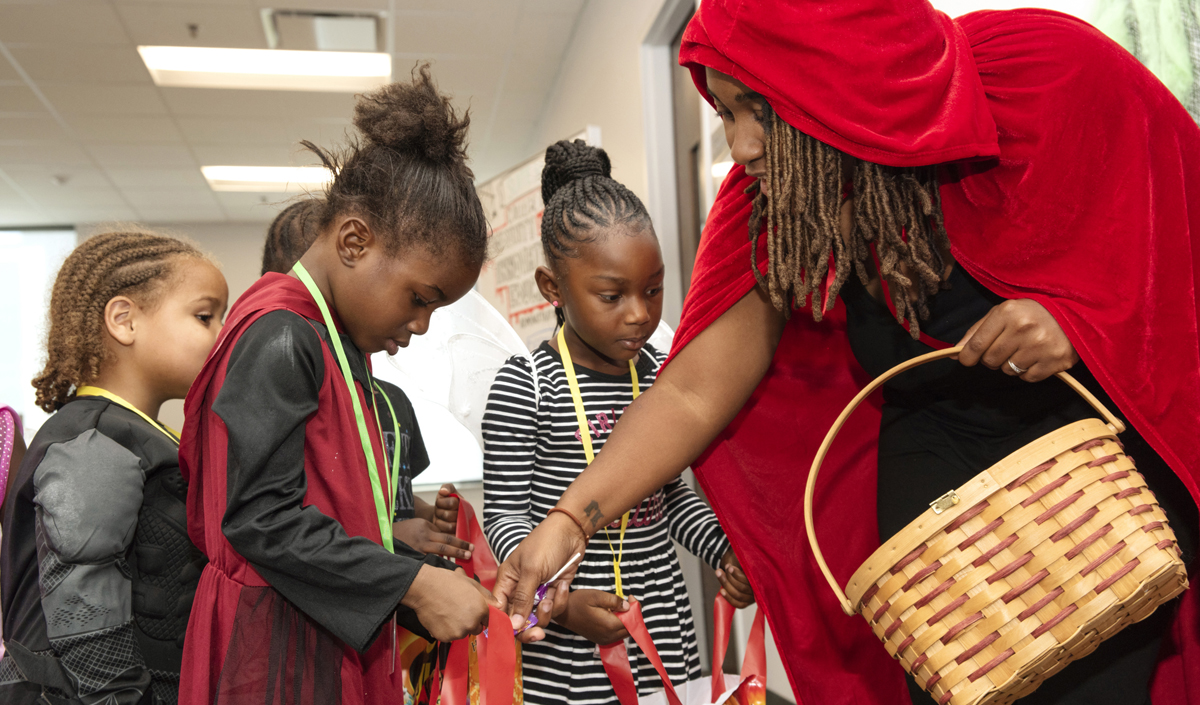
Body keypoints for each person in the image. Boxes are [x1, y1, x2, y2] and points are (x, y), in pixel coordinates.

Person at [492, 2, 1200, 705]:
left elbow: (1176, 245)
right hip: (935, 490)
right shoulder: (772, 200)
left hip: (1097, 479)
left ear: (835, 73)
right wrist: (568, 521)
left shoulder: (1043, 73)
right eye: (726, 113)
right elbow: (691, 392)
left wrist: (1078, 322)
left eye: (757, 109)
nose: (740, 148)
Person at [178, 65, 563, 705]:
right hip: (271, 654)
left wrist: (443, 583)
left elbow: (341, 524)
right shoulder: (282, 336)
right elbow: (262, 522)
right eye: (419, 298)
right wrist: (412, 585)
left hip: (312, 629)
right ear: (355, 240)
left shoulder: (332, 342)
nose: (418, 326)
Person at [483, 140, 753, 705]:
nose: (639, 313)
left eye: (653, 289)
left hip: (661, 619)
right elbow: (504, 516)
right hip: (569, 637)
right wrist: (561, 600)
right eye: (612, 295)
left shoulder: (664, 377)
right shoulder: (526, 385)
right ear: (553, 288)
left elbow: (671, 499)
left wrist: (725, 552)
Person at [0, 230, 229, 704]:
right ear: (124, 320)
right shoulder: (93, 443)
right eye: (205, 316)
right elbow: (88, 632)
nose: (222, 334)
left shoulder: (136, 433)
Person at [261, 198, 474, 562]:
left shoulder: (391, 401)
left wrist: (426, 516)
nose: (421, 326)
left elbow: (391, 494)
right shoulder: (285, 358)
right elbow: (283, 515)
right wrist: (387, 536)